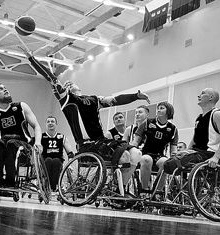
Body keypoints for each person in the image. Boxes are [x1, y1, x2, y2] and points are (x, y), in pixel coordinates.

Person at [22, 48, 150, 189]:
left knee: (136, 154)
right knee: (125, 157)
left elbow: (115, 100)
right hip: (87, 145)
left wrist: (135, 96)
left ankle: (120, 188)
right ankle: (115, 188)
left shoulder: (95, 100)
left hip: (103, 142)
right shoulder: (67, 100)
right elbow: (51, 78)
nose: (69, 83)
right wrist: (31, 59)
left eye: (71, 83)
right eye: (66, 84)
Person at [0, 83, 43, 188]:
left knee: (11, 143)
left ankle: (11, 182)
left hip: (24, 149)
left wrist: (38, 142)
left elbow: (36, 126)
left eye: (5, 88)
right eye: (0, 89)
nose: (5, 90)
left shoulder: (21, 107)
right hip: (3, 148)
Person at [164, 88, 220, 173]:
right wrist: (185, 151)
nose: (199, 96)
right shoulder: (199, 117)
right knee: (168, 162)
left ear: (211, 97)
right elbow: (195, 139)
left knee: (172, 164)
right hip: (197, 152)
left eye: (202, 93)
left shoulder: (217, 114)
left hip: (209, 153)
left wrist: (216, 157)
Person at [131, 102, 178, 194]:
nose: (158, 110)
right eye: (158, 108)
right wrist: (130, 149)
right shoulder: (147, 122)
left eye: (162, 108)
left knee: (166, 162)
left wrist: (175, 158)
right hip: (146, 153)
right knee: (146, 159)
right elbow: (135, 141)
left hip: (159, 155)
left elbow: (174, 149)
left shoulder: (173, 129)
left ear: (168, 111)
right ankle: (144, 190)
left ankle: (157, 192)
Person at [41, 116, 75, 191]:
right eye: (48, 121)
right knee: (48, 160)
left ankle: (54, 186)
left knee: (56, 161)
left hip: (58, 160)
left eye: (52, 121)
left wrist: (70, 165)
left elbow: (70, 153)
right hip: (45, 160)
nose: (50, 123)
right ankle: (47, 185)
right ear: (45, 124)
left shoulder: (62, 137)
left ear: (56, 124)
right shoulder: (41, 136)